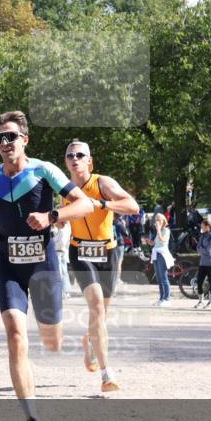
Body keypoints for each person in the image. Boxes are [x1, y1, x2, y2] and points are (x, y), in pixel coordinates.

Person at [0, 111, 93, 421]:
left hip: (43, 266)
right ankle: (33, 420)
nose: (5, 143)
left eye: (11, 136)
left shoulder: (43, 170)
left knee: (52, 342)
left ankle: (81, 343)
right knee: (16, 335)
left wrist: (51, 216)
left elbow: (84, 205)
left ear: (24, 139)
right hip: (9, 267)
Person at [60, 139, 139, 392]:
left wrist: (103, 204)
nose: (75, 158)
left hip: (108, 253)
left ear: (89, 161)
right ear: (66, 162)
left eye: (80, 155)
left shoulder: (102, 183)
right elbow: (62, 217)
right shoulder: (64, 189)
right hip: (80, 252)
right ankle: (107, 374)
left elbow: (132, 206)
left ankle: (91, 341)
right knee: (95, 308)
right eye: (70, 155)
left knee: (102, 314)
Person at [147, 213, 174, 306]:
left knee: (163, 277)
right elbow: (155, 243)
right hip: (155, 253)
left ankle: (167, 299)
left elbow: (163, 241)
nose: (156, 221)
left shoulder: (166, 230)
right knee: (158, 278)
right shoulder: (158, 231)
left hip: (162, 254)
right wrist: (150, 242)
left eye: (159, 220)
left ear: (163, 221)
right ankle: (162, 298)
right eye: (156, 220)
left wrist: (158, 229)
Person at [194, 218, 211, 309]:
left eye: (203, 226)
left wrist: (201, 250)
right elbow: (197, 247)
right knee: (199, 282)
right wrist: (202, 250)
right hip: (202, 263)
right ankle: (201, 301)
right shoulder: (202, 236)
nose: (201, 227)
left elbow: (209, 251)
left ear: (208, 227)